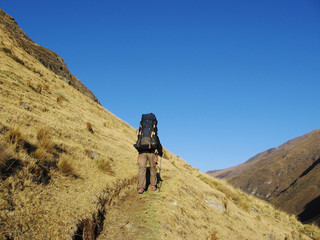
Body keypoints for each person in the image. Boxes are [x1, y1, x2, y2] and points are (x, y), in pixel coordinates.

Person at [135, 113, 163, 194]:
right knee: (152, 168)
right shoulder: (153, 130)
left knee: (142, 169)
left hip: (142, 151)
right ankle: (153, 185)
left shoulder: (142, 129)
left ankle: (141, 187)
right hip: (151, 151)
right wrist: (160, 152)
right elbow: (157, 140)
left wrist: (139, 154)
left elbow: (138, 139)